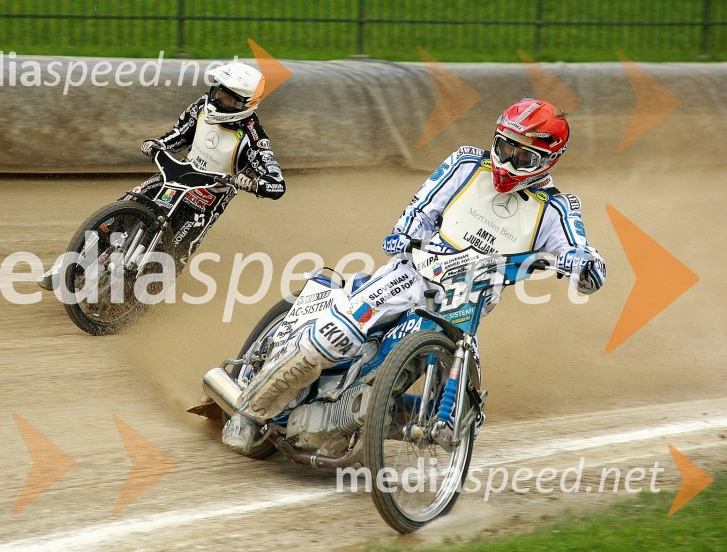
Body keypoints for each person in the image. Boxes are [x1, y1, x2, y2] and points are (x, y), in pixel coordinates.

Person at [222, 98, 606, 454]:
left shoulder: (556, 208)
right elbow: (422, 208)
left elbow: (581, 251)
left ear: (548, 160)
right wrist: (405, 236)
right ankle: (249, 413)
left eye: (524, 156)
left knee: (414, 380)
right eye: (506, 147)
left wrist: (583, 267)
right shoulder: (467, 164)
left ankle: (355, 419)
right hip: (415, 274)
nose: (508, 161)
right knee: (333, 338)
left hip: (465, 302)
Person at [37, 61, 285, 291]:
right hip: (177, 176)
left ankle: (132, 300)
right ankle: (68, 264)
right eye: (219, 90)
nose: (218, 98)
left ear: (245, 104)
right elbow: (178, 136)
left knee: (171, 261)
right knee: (120, 210)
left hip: (206, 201)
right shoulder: (201, 107)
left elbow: (277, 184)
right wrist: (157, 143)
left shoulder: (254, 138)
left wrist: (253, 183)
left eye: (228, 97)